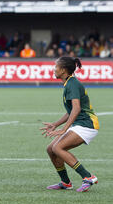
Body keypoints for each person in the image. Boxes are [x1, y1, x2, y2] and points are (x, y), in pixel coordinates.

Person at [40, 57, 99, 192]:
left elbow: (77, 109)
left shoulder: (72, 84)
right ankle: (65, 182)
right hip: (80, 124)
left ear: (63, 70)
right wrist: (56, 124)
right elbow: (72, 110)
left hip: (87, 124)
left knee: (58, 148)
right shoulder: (69, 83)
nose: (54, 69)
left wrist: (64, 129)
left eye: (56, 67)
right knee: (51, 149)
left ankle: (88, 177)